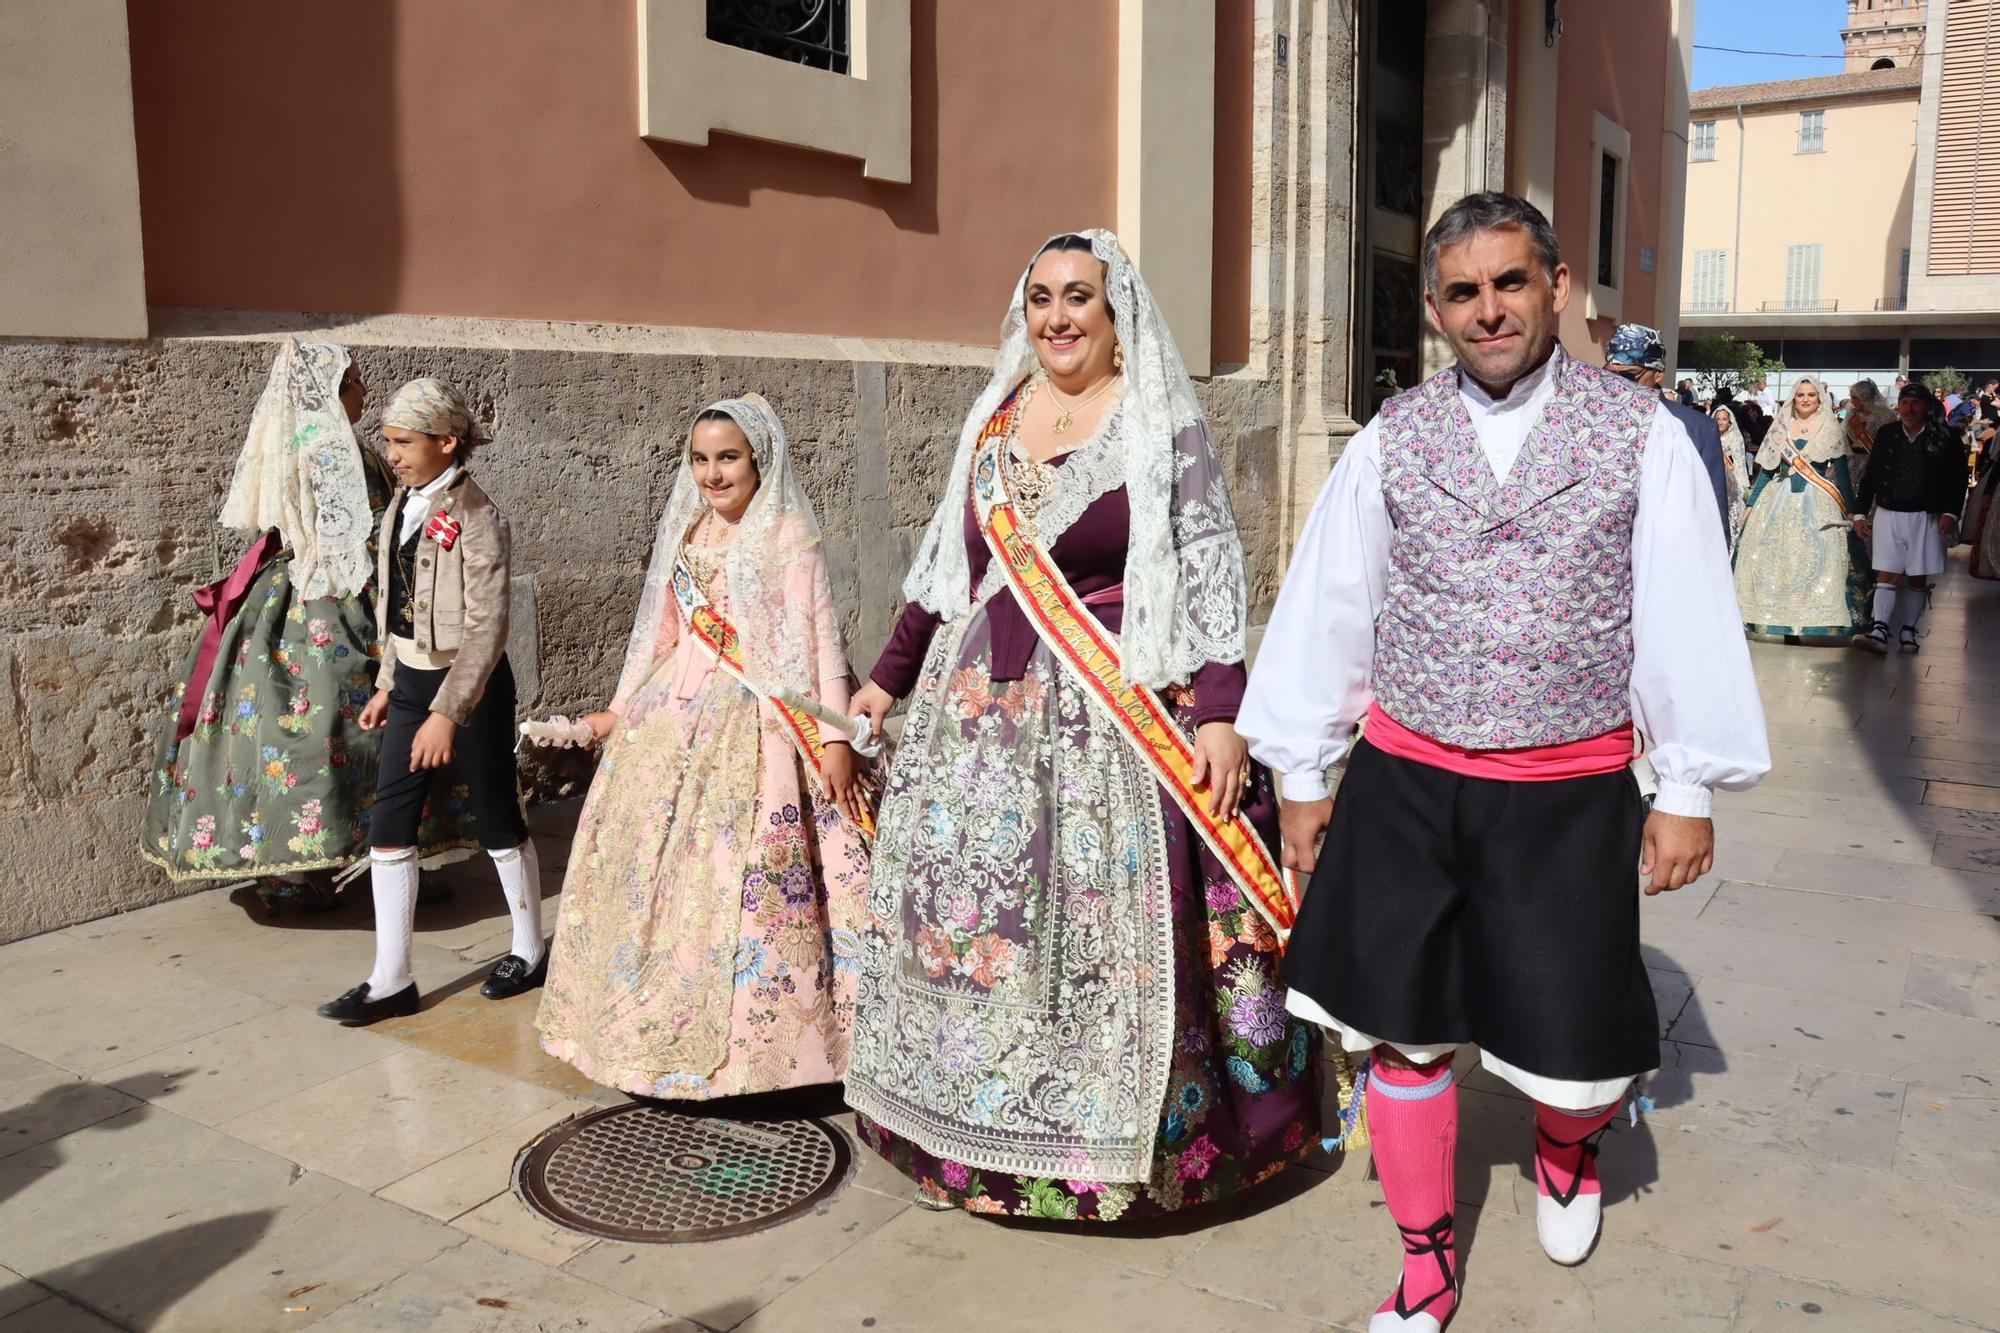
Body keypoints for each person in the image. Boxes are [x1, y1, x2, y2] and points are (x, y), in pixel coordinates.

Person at [1239, 192, 1769, 1332]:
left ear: (1557, 286)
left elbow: (1679, 610)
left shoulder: (1639, 438)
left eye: (1509, 283)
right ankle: (1424, 1261)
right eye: (1464, 292)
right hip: (1407, 779)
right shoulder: (1392, 435)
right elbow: (1333, 603)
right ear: (1434, 309)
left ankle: (1566, 1146)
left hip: (1563, 787)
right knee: (1402, 1024)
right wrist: (1300, 774)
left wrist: (1682, 786)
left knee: (1570, 1032)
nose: (1489, 310)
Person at [844, 230, 1322, 1222]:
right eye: (1040, 299)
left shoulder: (1154, 425)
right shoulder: (994, 421)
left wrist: (1224, 713)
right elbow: (946, 576)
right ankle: (965, 1137)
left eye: (1079, 299)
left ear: (1117, 317)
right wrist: (884, 684)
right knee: (981, 936)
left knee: (1097, 945)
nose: (1057, 317)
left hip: (1110, 717)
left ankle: (1100, 1156)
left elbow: (1205, 571)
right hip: (977, 728)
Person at [536, 396, 873, 1098]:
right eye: (700, 459)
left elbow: (823, 648)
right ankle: (641, 1024)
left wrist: (837, 738)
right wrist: (616, 714)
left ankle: (775, 1051)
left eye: (728, 458)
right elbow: (656, 638)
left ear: (760, 461)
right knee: (655, 877)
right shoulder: (687, 536)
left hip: (764, 724)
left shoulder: (788, 537)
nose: (713, 473)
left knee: (758, 872)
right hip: (673, 719)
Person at [140, 342, 475, 910]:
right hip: (342, 602)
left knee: (278, 731)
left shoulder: (286, 447)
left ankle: (294, 871)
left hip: (274, 603)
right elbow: (373, 534)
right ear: (330, 392)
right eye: (355, 384)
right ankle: (381, 857)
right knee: (369, 728)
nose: (364, 394)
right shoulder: (346, 452)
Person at [318, 379, 543, 1024]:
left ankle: (528, 951)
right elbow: (398, 611)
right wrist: (391, 682)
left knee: (497, 815)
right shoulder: (400, 506)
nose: (392, 453)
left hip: (468, 690)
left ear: (447, 442)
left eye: (404, 442)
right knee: (390, 821)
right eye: (386, 441)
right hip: (414, 684)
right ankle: (391, 979)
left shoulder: (477, 513)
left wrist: (449, 710)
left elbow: (488, 627)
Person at [1733, 376, 1870, 641]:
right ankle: (1781, 623)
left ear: (1819, 399)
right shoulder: (1781, 426)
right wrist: (1751, 503)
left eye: (1811, 395)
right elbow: (1768, 470)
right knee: (1778, 558)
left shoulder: (1831, 428)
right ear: (1793, 399)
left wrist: (1851, 511)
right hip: (1778, 499)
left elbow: (1840, 472)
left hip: (1818, 499)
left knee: (1817, 560)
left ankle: (1808, 621)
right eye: (1800, 395)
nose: (1805, 399)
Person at [1851, 383, 1968, 653]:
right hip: (1889, 513)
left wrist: (1951, 512)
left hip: (1926, 516)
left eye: (1915, 403)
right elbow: (1871, 477)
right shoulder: (1888, 434)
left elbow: (1957, 479)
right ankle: (1880, 631)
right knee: (1886, 574)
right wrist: (1859, 514)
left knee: (1917, 577)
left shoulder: (1945, 436)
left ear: (1927, 406)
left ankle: (1908, 631)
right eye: (1904, 403)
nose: (1908, 408)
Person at [1604, 323, 1731, 546]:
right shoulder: (1594, 421)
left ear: (1658, 374)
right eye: (1608, 374)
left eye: (1630, 375)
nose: (1617, 384)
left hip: (1669, 553)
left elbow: (1713, 509)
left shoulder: (1696, 428)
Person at [1713, 404, 1751, 547]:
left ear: (1729, 421)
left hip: (1729, 478)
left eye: (1724, 419)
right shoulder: (1710, 434)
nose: (1721, 422)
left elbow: (1740, 462)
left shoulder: (1734, 437)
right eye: (1718, 419)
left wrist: (1743, 485)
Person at [1844, 379, 1893, 489]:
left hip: (1876, 466)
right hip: (1852, 464)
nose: (1852, 402)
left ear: (1865, 398)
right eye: (1851, 397)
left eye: (1855, 398)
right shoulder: (1852, 415)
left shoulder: (1887, 416)